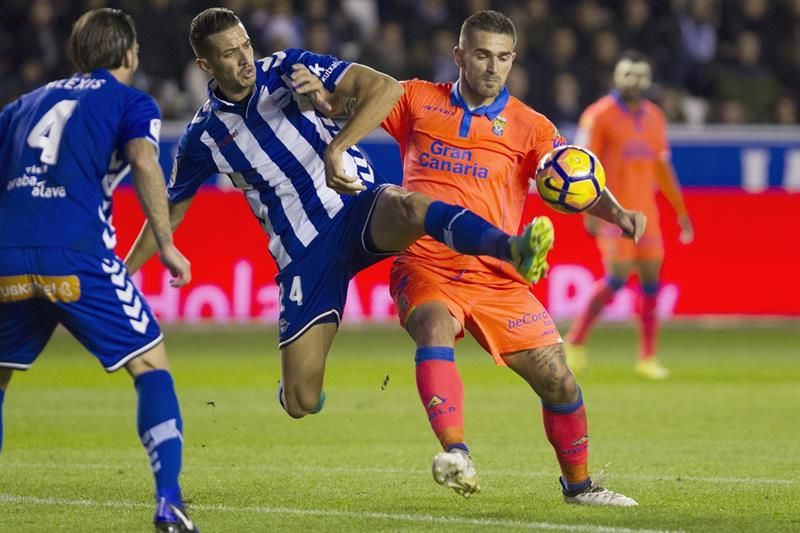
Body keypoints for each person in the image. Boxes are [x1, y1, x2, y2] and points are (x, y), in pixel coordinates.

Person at [124, 8, 550, 423]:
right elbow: (170, 207)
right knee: (300, 401)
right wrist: (127, 273)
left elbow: (385, 89)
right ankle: (299, 387)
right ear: (205, 64)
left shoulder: (289, 67)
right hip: (307, 251)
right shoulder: (202, 136)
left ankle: (510, 248)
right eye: (229, 53)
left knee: (411, 205)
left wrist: (336, 143)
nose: (244, 59)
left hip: (356, 206)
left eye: (245, 45)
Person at [316, 10, 643, 505]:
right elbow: (347, 103)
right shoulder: (415, 98)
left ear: (513, 60)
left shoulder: (532, 127)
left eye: (503, 58)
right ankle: (456, 453)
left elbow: (571, 180)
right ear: (460, 56)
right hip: (425, 262)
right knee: (433, 327)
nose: (493, 67)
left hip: (497, 275)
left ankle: (579, 487)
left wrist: (617, 212)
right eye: (483, 55)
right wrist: (317, 96)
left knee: (557, 379)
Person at [0, 9, 197, 533]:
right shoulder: (131, 101)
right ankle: (169, 502)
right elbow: (144, 161)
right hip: (78, 256)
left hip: (8, 258)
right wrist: (166, 243)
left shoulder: (20, 106)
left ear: (77, 54)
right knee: (151, 367)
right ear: (130, 54)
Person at [565, 51, 695, 380]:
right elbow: (583, 165)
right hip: (613, 212)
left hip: (646, 214)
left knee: (652, 281)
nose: (633, 80)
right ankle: (575, 343)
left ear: (648, 80)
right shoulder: (598, 116)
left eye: (639, 75)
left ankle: (647, 357)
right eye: (627, 74)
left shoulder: (655, 117)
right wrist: (588, 209)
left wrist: (681, 211)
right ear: (616, 77)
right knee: (617, 278)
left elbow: (662, 168)